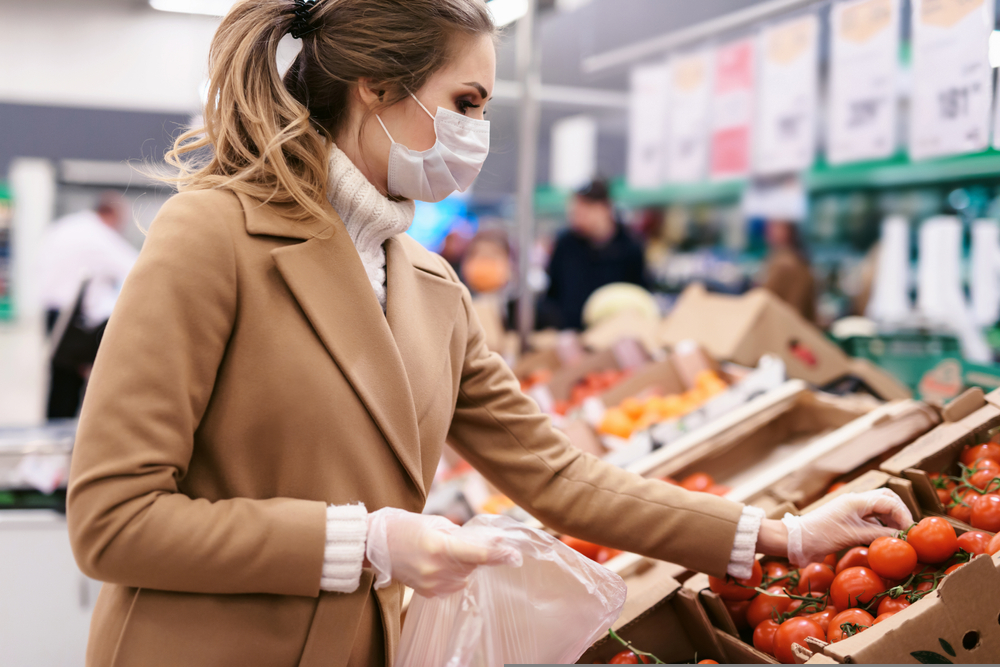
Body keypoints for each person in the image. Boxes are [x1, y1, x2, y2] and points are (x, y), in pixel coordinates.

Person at [65, 2, 912, 666]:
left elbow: (560, 475)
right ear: (377, 88)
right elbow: (113, 516)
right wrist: (369, 541)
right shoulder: (213, 236)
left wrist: (782, 534)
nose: (479, 131)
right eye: (465, 102)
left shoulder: (433, 290)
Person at [37, 191, 138, 419]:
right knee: (78, 382)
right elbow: (136, 269)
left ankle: (53, 432)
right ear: (112, 214)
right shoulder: (99, 235)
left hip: (52, 311)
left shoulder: (64, 227)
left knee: (59, 379)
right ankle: (69, 437)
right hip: (76, 319)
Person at [539, 179, 647, 330]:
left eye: (584, 209)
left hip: (615, 334)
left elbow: (640, 295)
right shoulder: (565, 245)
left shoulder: (630, 247)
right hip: (571, 334)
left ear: (604, 208)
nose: (576, 215)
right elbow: (552, 293)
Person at [759, 218, 817, 322]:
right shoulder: (781, 257)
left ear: (788, 231)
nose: (768, 231)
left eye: (775, 227)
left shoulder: (787, 264)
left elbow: (767, 299)